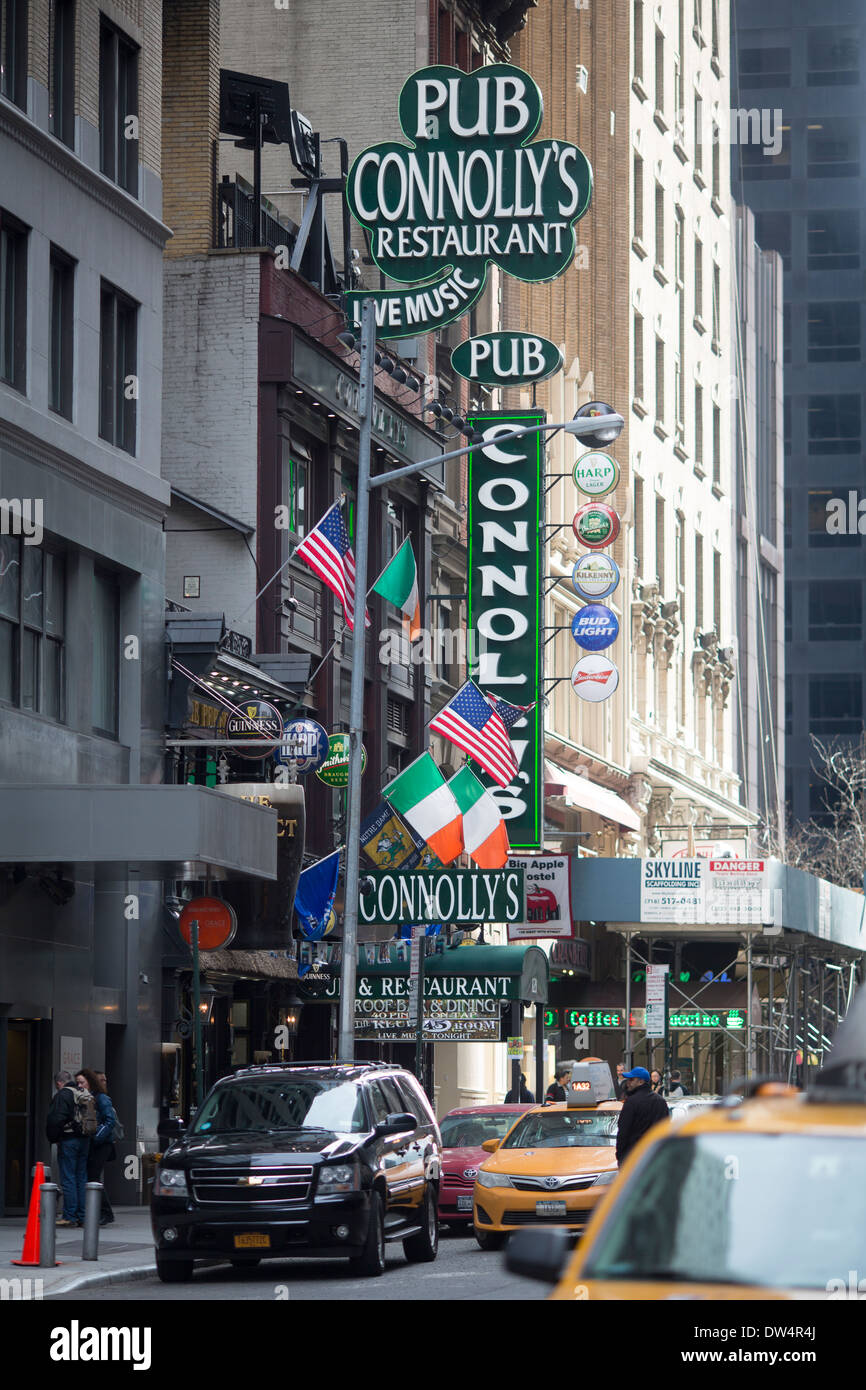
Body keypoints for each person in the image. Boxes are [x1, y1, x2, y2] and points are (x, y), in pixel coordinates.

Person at [46, 1070, 87, 1226]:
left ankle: (69, 1216)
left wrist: (54, 1138)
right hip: (85, 1140)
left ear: (58, 1083)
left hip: (69, 1140)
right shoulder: (83, 1092)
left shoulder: (62, 1095)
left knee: (68, 1178)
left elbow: (55, 1119)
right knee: (81, 1177)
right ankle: (82, 1216)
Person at [78, 1068, 116, 1226]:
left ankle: (105, 1212)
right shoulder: (87, 1097)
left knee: (93, 1177)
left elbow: (110, 1121)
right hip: (94, 1142)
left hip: (102, 1144)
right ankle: (100, 1212)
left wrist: (97, 1137)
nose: (79, 1085)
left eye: (81, 1082)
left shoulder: (101, 1098)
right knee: (92, 1177)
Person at [615, 1066, 669, 1167]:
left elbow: (623, 1131)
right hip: (655, 1157)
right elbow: (666, 1131)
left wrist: (621, 1156)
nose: (628, 1083)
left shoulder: (631, 1102)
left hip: (633, 1157)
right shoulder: (661, 1102)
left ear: (640, 1082)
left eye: (631, 1080)